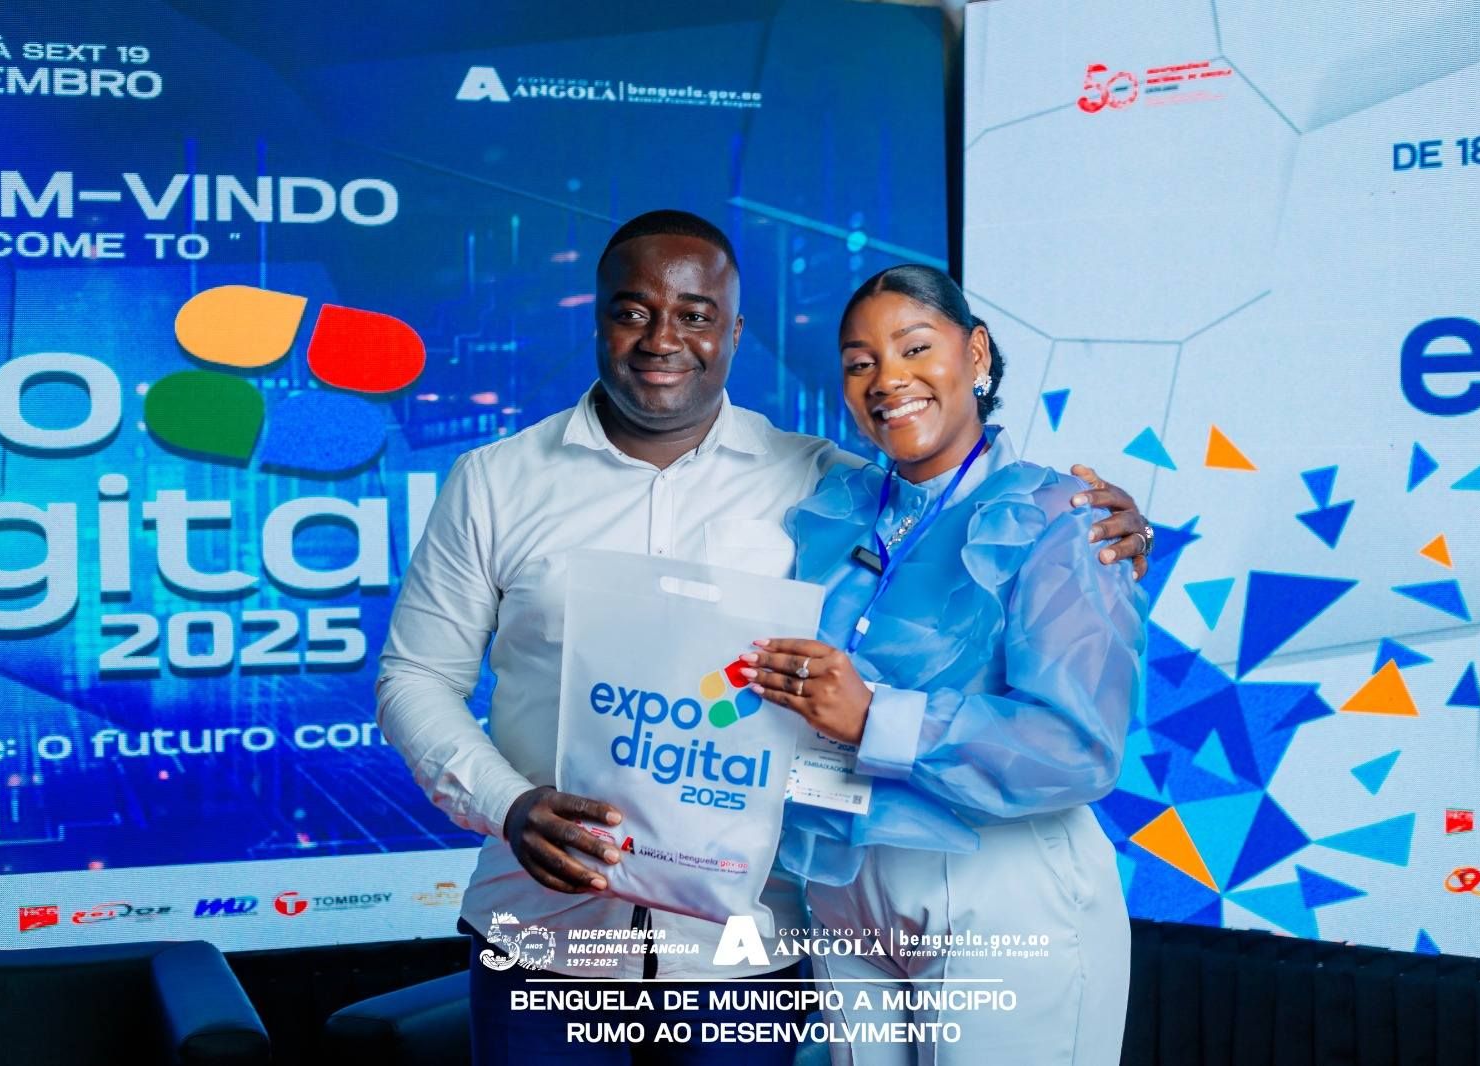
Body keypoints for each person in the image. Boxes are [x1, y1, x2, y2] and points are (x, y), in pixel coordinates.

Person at [374, 212, 1153, 1066]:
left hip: (748, 950)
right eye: (632, 312)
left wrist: (1091, 520)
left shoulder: (821, 484)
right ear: (597, 320)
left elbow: (947, 491)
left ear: (735, 332)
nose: (662, 339)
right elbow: (415, 677)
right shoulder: (494, 482)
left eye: (695, 315)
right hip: (544, 932)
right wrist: (507, 805)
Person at [743, 264, 1147, 1066]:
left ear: (977, 353)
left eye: (915, 347)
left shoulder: (1061, 517)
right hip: (843, 888)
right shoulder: (830, 512)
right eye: (860, 363)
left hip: (1002, 888)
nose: (888, 379)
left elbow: (1079, 747)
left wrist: (877, 718)